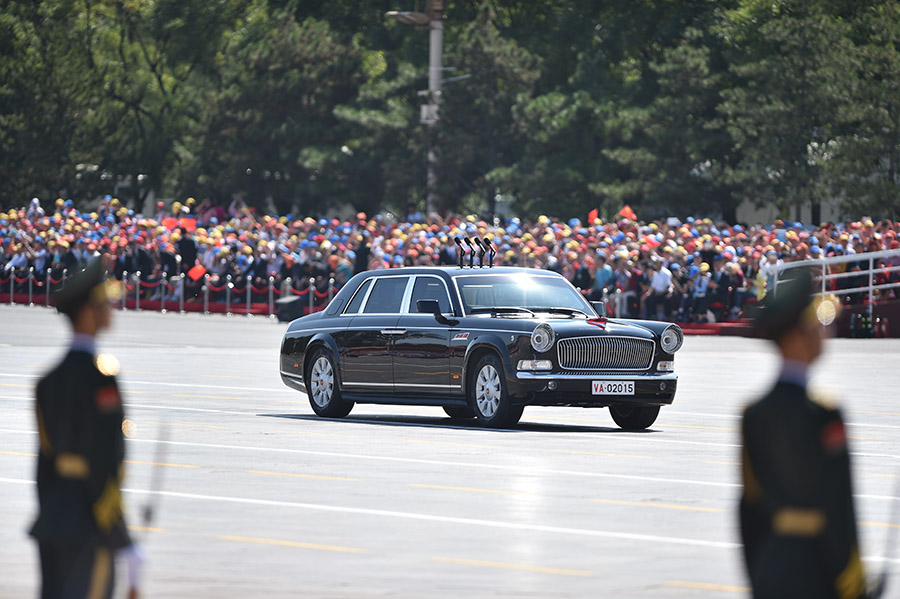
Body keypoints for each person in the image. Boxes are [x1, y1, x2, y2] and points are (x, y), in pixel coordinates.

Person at [740, 267, 870, 599]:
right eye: (817, 325)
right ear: (798, 337)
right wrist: (853, 582)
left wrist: (758, 575)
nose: (824, 333)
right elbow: (840, 506)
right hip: (819, 569)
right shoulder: (824, 413)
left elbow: (748, 509)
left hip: (771, 566)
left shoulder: (754, 413)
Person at [30, 258, 141, 599]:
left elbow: (44, 467)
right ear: (89, 311)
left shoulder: (47, 382)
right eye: (105, 301)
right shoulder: (101, 378)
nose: (112, 308)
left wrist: (52, 512)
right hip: (90, 525)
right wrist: (120, 535)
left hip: (52, 521)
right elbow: (104, 461)